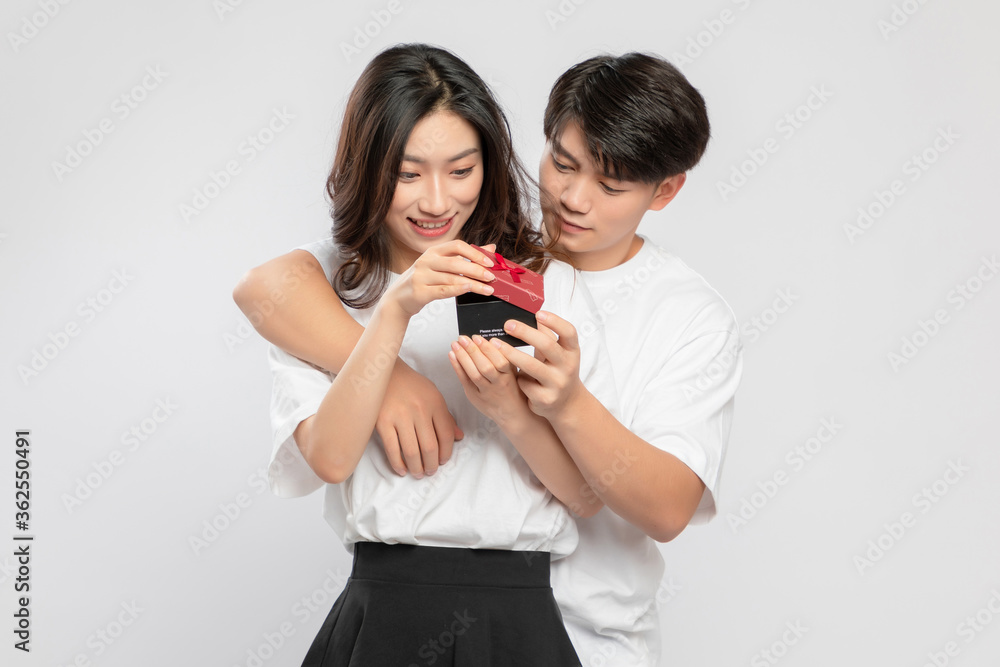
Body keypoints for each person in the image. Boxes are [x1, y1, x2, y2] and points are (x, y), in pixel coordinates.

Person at [235, 51, 742, 666]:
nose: (574, 200)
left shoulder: (618, 301)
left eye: (609, 186)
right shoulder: (479, 261)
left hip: (583, 627)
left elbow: (630, 503)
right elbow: (268, 287)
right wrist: (389, 370)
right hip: (393, 600)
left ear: (664, 190)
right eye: (561, 163)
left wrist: (547, 405)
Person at [258, 43, 591, 666]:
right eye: (408, 174)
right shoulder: (324, 297)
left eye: (461, 171)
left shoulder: (549, 283)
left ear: (488, 167)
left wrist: (517, 410)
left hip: (520, 617)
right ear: (367, 166)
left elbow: (585, 494)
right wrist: (393, 315)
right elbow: (328, 458)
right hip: (384, 610)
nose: (437, 202)